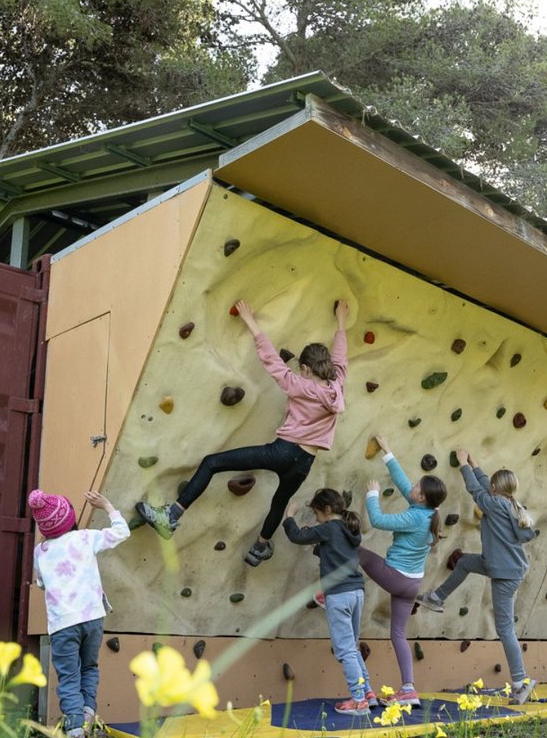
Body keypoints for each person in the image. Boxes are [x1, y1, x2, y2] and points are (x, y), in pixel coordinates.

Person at [137, 299, 349, 567]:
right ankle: (259, 548)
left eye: (300, 370)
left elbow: (271, 361)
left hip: (282, 451)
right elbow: (341, 359)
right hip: (304, 463)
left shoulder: (299, 385)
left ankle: (171, 516)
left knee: (212, 463)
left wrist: (250, 321)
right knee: (279, 502)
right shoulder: (338, 386)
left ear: (306, 369)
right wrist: (341, 321)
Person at [416, 450, 538, 705]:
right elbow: (484, 485)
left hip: (504, 573)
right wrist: (474, 463)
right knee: (464, 563)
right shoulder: (509, 504)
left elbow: (476, 489)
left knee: (505, 629)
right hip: (499, 565)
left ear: (496, 488)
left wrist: (463, 466)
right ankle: (437, 598)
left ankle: (520, 681)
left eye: (491, 486)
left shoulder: (494, 504)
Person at [30, 489, 130, 738]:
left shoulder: (40, 552)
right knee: (89, 668)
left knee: (69, 676)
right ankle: (88, 716)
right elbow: (122, 532)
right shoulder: (85, 538)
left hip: (63, 625)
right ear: (69, 518)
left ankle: (75, 729)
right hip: (93, 619)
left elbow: (41, 583)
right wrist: (107, 506)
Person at [361, 433, 447, 707]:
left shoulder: (413, 517)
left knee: (355, 554)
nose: (413, 485)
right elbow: (402, 483)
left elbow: (376, 520)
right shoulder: (427, 512)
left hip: (396, 577)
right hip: (413, 583)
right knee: (397, 634)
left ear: (421, 497)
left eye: (418, 485)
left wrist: (373, 494)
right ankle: (408, 689)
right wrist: (387, 451)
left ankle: (327, 594)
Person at [283, 489, 377, 714]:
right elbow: (335, 552)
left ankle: (358, 700)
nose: (315, 519)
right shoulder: (350, 529)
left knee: (344, 651)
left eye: (316, 513)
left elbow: (297, 537)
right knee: (352, 647)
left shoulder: (328, 529)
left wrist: (289, 516)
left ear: (327, 510)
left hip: (340, 595)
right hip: (357, 592)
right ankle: (368, 693)